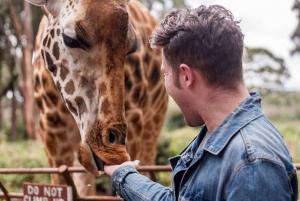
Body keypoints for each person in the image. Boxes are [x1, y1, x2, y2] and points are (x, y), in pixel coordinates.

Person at [104, 4, 298, 201]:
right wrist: (124, 175)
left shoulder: (252, 164)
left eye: (166, 74)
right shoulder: (220, 134)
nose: (165, 83)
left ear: (186, 76)